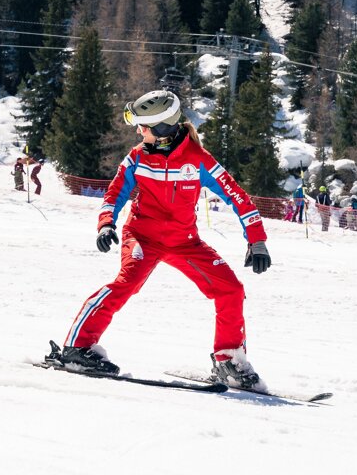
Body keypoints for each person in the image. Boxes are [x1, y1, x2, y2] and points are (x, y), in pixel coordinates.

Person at [51, 89, 271, 389]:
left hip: (185, 242)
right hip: (142, 235)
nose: (139, 132)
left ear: (161, 129)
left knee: (231, 289)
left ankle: (229, 361)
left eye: (142, 126)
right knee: (128, 282)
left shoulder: (198, 161)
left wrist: (256, 241)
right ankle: (77, 348)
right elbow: (114, 193)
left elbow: (239, 198)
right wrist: (106, 224)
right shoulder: (138, 157)